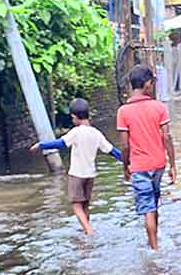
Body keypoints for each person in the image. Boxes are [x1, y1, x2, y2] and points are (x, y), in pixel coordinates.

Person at [30, 98, 122, 235]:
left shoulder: (76, 132)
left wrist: (41, 145)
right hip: (90, 175)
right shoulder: (97, 133)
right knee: (85, 205)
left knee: (76, 205)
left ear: (74, 117)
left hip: (77, 174)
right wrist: (128, 161)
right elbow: (113, 151)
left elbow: (60, 144)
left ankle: (89, 231)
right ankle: (85, 231)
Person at [117, 66, 177, 249]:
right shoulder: (159, 107)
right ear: (148, 84)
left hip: (139, 166)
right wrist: (173, 165)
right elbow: (166, 137)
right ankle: (155, 238)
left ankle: (154, 249)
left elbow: (125, 145)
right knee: (154, 203)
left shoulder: (123, 112)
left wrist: (125, 166)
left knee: (147, 207)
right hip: (158, 164)